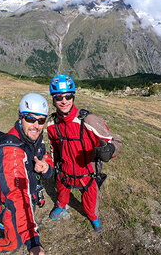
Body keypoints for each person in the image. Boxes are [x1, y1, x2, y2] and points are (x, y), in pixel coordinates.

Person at [47, 75, 121, 233]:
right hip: (64, 171)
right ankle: (61, 206)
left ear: (73, 96)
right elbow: (54, 147)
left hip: (87, 174)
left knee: (91, 201)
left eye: (68, 96)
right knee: (62, 193)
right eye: (59, 97)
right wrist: (52, 165)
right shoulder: (52, 125)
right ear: (53, 100)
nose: (64, 101)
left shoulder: (88, 121)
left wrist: (110, 150)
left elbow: (116, 141)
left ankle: (93, 216)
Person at [0, 93, 54, 255]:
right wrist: (33, 241)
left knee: (21, 223)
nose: (36, 125)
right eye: (30, 119)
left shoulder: (34, 136)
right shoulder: (10, 153)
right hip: (7, 203)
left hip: (28, 193)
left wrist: (46, 168)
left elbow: (45, 156)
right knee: (15, 241)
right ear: (20, 117)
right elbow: (17, 198)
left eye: (41, 120)